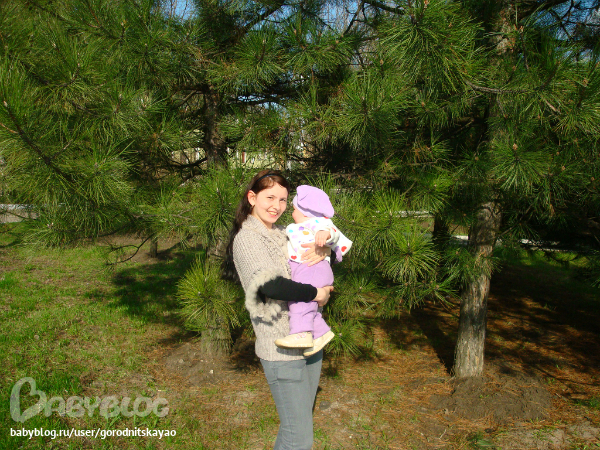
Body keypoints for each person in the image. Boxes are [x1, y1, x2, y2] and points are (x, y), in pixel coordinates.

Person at [223, 169, 333, 450]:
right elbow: (270, 285)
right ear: (252, 198)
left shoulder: (285, 232)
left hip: (310, 343)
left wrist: (324, 251)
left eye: (283, 200)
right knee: (300, 438)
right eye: (270, 197)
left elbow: (319, 250)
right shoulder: (248, 238)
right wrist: (316, 293)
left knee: (295, 428)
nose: (277, 206)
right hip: (281, 350)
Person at [275, 185, 352, 355]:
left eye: (294, 209)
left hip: (313, 268)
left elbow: (331, 231)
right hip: (307, 268)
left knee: (301, 300)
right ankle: (321, 333)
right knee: (309, 303)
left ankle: (301, 333)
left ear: (305, 212)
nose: (291, 213)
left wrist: (325, 235)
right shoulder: (300, 225)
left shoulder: (317, 223)